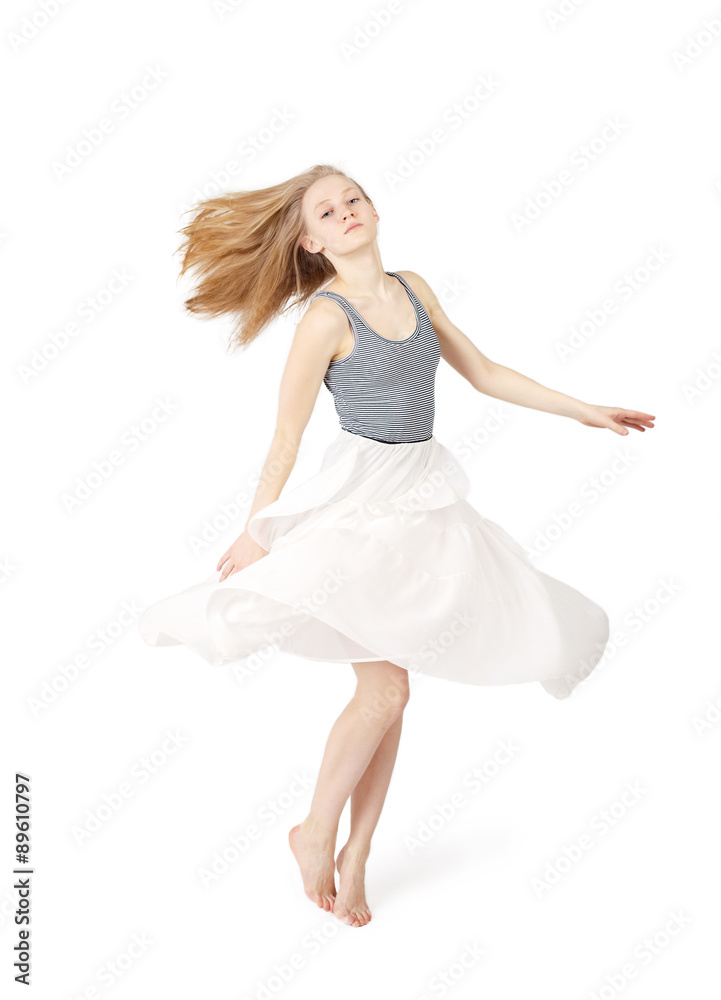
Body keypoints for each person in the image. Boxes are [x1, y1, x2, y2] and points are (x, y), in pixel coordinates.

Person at [138, 163, 655, 928]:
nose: (346, 212)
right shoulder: (325, 318)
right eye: (327, 211)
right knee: (386, 690)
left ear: (373, 210)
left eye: (354, 199)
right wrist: (255, 532)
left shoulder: (413, 286)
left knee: (391, 691)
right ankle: (314, 833)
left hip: (423, 498)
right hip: (361, 504)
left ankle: (355, 853)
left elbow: (480, 371)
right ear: (309, 241)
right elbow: (286, 435)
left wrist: (580, 410)